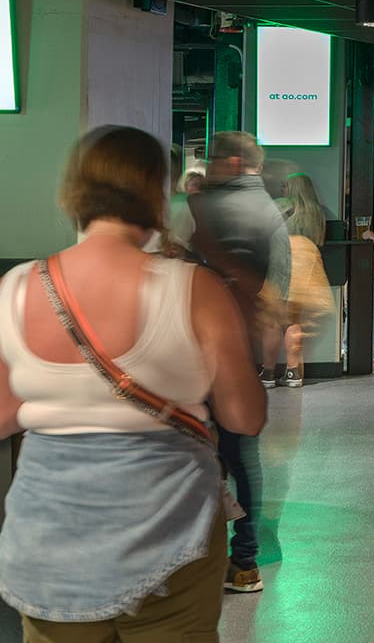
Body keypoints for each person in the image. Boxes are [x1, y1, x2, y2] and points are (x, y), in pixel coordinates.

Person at [0, 126, 266, 634]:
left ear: (72, 192)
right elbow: (244, 416)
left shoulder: (15, 288)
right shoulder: (194, 288)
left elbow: (1, 413)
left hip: (52, 540)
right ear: (155, 195)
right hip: (170, 529)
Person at [187, 129, 288, 591]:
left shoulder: (199, 207)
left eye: (212, 158)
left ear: (229, 163)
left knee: (186, 445)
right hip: (242, 351)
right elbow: (279, 287)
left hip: (191, 345)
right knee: (243, 454)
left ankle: (186, 555)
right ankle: (244, 559)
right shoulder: (271, 213)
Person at [277, 172, 333, 389]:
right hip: (311, 267)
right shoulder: (318, 213)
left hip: (288, 267)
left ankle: (288, 371)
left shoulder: (285, 209)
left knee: (284, 321)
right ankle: (296, 371)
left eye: (285, 186)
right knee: (300, 321)